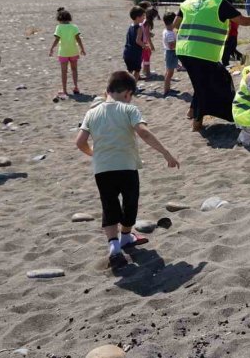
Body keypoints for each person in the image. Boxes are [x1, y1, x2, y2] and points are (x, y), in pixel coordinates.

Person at [75, 71, 180, 269]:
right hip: (126, 166)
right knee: (130, 202)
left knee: (109, 205)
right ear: (127, 93)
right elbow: (144, 133)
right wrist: (166, 153)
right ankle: (125, 236)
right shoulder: (129, 109)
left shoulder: (91, 113)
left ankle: (114, 246)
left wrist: (93, 154)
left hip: (102, 169)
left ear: (107, 90)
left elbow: (80, 142)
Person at [173, 0, 250, 132]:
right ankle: (197, 123)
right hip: (203, 53)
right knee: (209, 84)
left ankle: (192, 111)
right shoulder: (219, 2)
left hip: (184, 50)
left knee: (202, 82)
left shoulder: (189, 1)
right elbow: (242, 21)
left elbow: (175, 24)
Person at [48, 7, 85, 97]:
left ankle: (64, 90)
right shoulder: (74, 27)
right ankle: (76, 87)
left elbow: (57, 39)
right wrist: (82, 49)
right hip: (73, 52)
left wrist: (52, 48)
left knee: (64, 72)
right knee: (74, 70)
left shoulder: (59, 27)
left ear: (59, 18)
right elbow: (78, 39)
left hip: (63, 53)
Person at [123, 6, 146, 80]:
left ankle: (127, 87)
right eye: (143, 16)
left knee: (130, 71)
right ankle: (133, 88)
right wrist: (145, 46)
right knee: (137, 71)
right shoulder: (139, 28)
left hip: (127, 52)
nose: (144, 18)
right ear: (137, 17)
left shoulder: (131, 26)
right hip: (135, 54)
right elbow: (138, 41)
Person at [221, 0, 241, 67]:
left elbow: (229, 25)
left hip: (230, 36)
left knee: (225, 53)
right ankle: (243, 59)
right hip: (234, 35)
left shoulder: (228, 12)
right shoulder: (234, 12)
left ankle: (226, 66)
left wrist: (227, 36)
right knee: (232, 51)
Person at [161, 12, 178, 96]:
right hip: (171, 53)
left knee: (168, 72)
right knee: (170, 73)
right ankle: (166, 90)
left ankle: (167, 88)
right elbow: (172, 46)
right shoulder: (170, 33)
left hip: (168, 52)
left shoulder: (166, 31)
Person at [139, 8, 158, 79]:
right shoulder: (147, 22)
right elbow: (146, 34)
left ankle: (145, 71)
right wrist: (151, 45)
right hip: (144, 43)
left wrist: (150, 33)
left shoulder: (145, 21)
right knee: (147, 56)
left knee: (145, 56)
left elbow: (145, 32)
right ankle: (148, 72)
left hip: (143, 42)